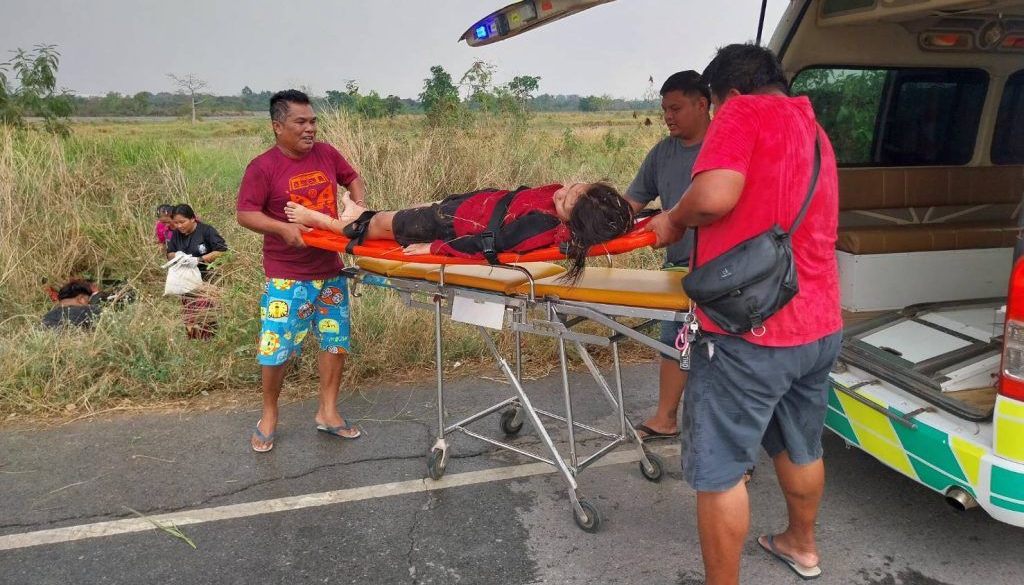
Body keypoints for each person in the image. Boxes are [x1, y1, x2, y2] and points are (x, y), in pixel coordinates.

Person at [647, 43, 841, 585]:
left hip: (749, 329)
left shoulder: (743, 112)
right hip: (819, 323)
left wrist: (674, 219)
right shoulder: (815, 130)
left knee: (721, 469)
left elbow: (712, 197)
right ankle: (801, 545)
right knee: (801, 444)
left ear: (729, 94)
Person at [236, 89, 368, 454]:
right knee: (276, 348)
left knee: (334, 342)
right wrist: (282, 229)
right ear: (278, 127)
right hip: (287, 275)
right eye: (300, 122)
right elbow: (245, 213)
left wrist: (356, 208)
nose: (310, 128)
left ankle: (328, 411)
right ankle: (269, 414)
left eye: (313, 121)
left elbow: (353, 178)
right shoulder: (263, 167)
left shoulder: (326, 153)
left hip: (330, 269)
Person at [284, 181, 635, 282]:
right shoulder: (560, 209)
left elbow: (491, 246)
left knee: (377, 228)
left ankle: (324, 222)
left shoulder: (542, 227)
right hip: (470, 208)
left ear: (575, 221)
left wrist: (436, 249)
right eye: (574, 187)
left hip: (455, 225)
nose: (563, 192)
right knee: (401, 216)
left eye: (568, 201)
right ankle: (357, 213)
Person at [623, 70, 711, 441]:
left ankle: (726, 443)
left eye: (676, 108)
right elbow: (630, 204)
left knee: (722, 354)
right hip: (678, 267)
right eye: (664, 110)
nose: (667, 117)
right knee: (675, 340)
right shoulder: (663, 152)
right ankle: (665, 418)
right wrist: (590, 224)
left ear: (702, 105)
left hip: (723, 268)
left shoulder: (724, 147)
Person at [166, 204, 228, 340]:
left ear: (193, 219)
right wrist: (178, 256)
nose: (179, 226)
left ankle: (210, 340)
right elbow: (169, 253)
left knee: (205, 311)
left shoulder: (206, 231)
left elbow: (222, 251)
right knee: (189, 311)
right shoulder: (176, 234)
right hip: (186, 279)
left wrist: (200, 259)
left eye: (182, 222)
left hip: (207, 278)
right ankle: (194, 340)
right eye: (176, 223)